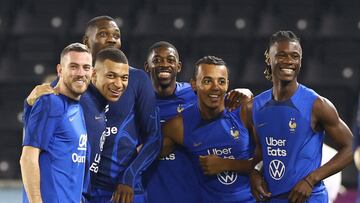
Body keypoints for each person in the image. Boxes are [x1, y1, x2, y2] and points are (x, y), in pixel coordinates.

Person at [26, 16, 161, 203]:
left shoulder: (137, 80)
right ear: (86, 42)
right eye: (103, 34)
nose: (112, 39)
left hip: (122, 191)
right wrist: (30, 102)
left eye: (116, 35)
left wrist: (129, 177)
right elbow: (33, 142)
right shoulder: (69, 88)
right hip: (80, 191)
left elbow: (154, 137)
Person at [248, 30, 353, 203]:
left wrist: (311, 180)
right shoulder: (256, 106)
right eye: (281, 55)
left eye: (294, 56)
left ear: (300, 61)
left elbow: (350, 147)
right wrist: (255, 172)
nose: (289, 61)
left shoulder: (317, 104)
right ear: (269, 58)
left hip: (308, 198)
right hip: (270, 198)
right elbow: (260, 150)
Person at [161, 55, 256, 203]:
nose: (215, 87)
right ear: (194, 84)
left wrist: (227, 164)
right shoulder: (179, 125)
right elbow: (145, 154)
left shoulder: (244, 112)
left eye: (221, 81)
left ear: (227, 85)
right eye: (207, 81)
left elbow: (273, 160)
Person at [20, 43, 93, 203]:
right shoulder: (50, 103)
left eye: (86, 67)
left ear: (92, 72)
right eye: (74, 66)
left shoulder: (78, 108)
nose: (81, 73)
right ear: (60, 70)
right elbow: (27, 158)